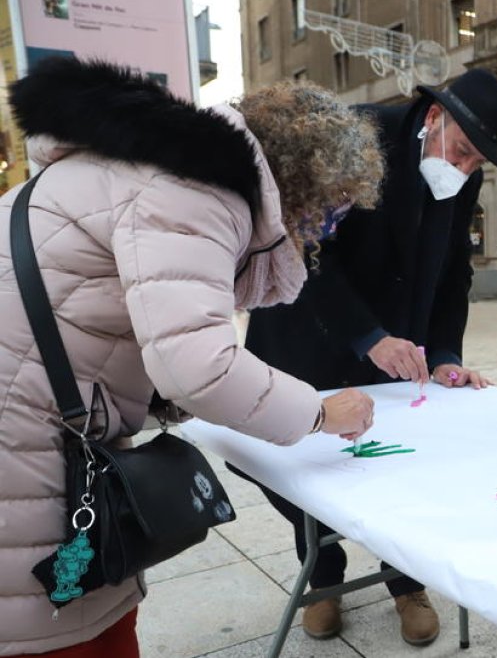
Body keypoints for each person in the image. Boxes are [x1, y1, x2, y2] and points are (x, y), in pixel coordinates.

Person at [0, 58, 379, 656]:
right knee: (65, 628)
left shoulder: (146, 167)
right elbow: (200, 365)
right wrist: (320, 413)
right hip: (21, 440)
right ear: (305, 181)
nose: (324, 228)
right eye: (331, 209)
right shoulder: (195, 189)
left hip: (27, 415)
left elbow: (104, 316)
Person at [240, 67, 497, 646]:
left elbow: (453, 274)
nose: (465, 169)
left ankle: (406, 582)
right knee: (313, 462)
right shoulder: (357, 136)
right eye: (462, 152)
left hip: (399, 345)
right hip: (313, 333)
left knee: (404, 467)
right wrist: (367, 334)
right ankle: (322, 574)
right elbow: (307, 248)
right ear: (435, 117)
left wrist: (444, 354)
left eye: (477, 163)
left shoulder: (457, 177)